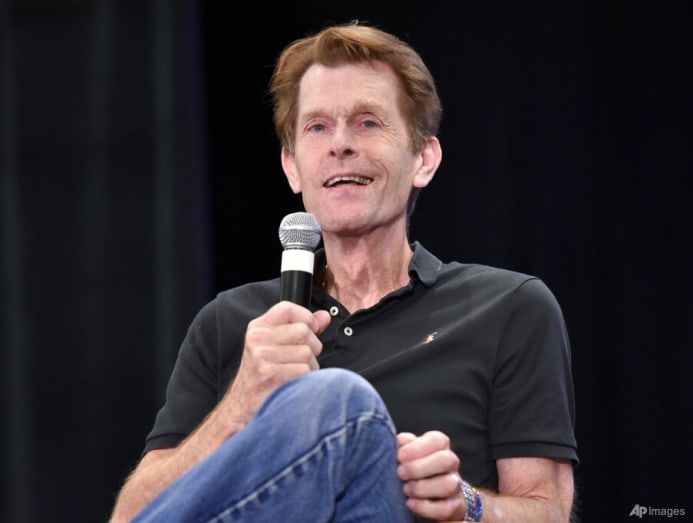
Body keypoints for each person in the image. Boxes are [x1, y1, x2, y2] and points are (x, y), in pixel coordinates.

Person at [111, 21, 578, 522]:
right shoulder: (231, 323)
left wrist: (465, 504)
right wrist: (238, 407)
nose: (339, 145)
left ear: (423, 159)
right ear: (292, 167)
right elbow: (131, 517)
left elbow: (547, 510)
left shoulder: (508, 308)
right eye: (317, 127)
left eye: (368, 123)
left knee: (339, 401)